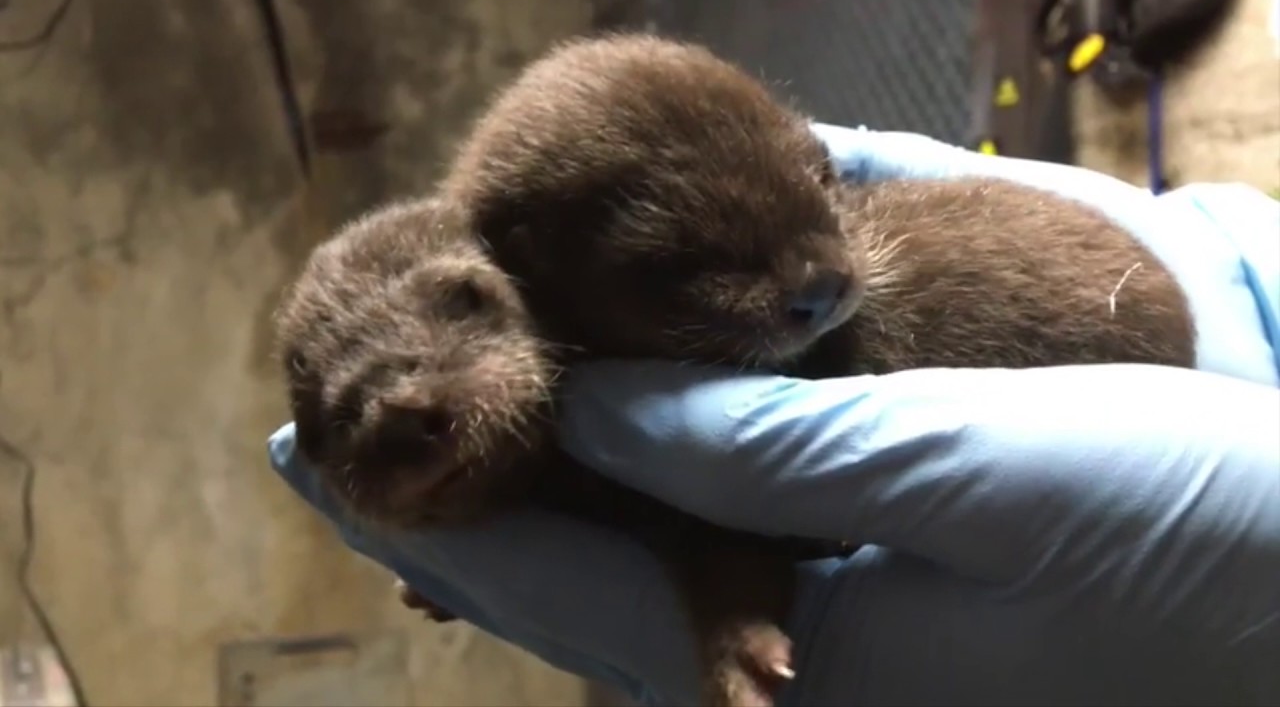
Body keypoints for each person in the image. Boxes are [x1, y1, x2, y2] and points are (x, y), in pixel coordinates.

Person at [266, 125, 1280, 706]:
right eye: (339, 422)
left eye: (467, 309)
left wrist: (730, 613)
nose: (403, 406)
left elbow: (716, 524)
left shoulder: (640, 352)